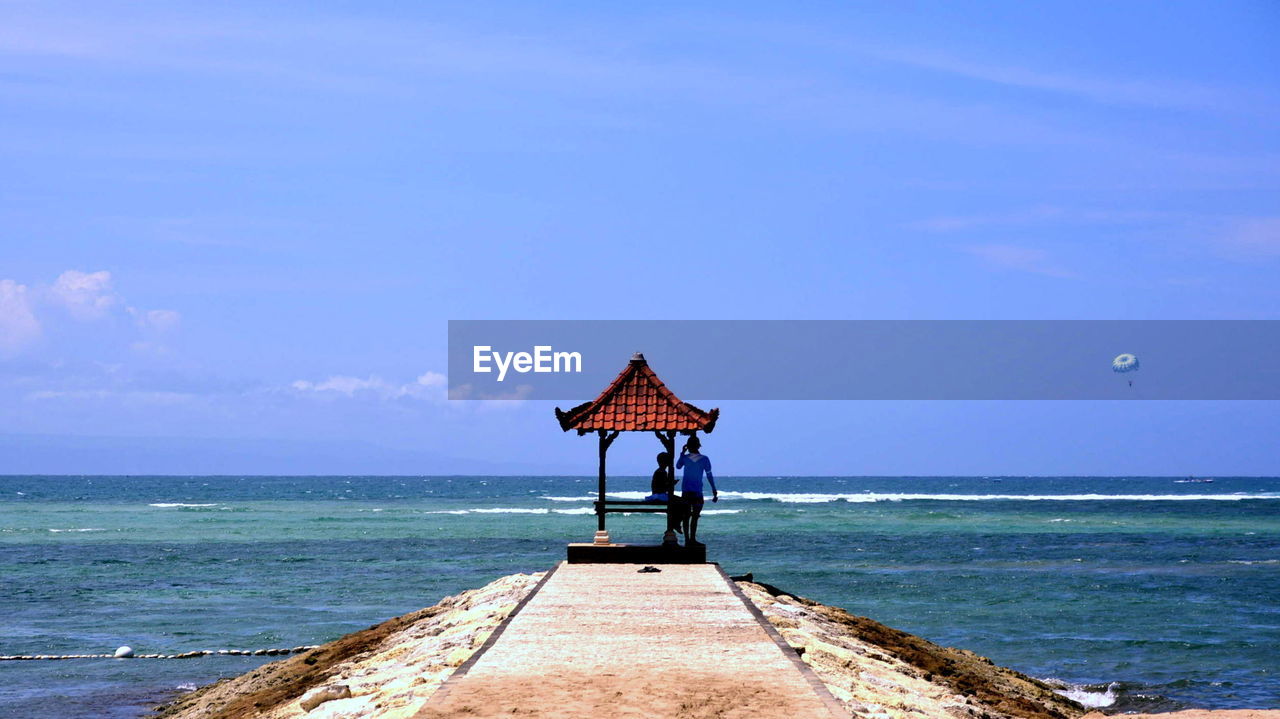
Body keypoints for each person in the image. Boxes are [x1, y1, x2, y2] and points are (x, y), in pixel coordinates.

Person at [676, 436, 717, 545]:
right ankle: (692, 539)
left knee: (686, 517)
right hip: (697, 492)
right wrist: (714, 489)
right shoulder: (704, 459)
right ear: (698, 446)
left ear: (688, 447)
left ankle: (687, 540)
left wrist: (682, 453)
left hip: (686, 491)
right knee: (695, 517)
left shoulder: (685, 458)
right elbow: (709, 475)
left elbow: (678, 466)